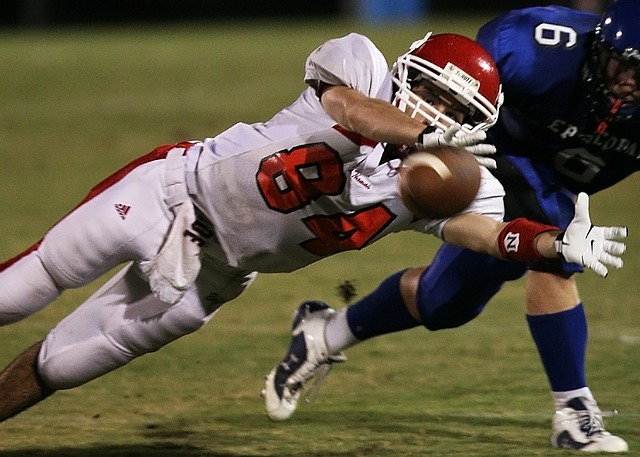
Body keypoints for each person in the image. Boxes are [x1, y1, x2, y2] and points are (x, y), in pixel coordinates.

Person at [0, 31, 626, 429]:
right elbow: (348, 108)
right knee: (16, 294)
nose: (441, 118)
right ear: (406, 76)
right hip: (169, 195)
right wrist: (422, 136)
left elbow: (485, 234)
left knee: (61, 367)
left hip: (213, 274)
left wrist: (550, 244)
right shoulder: (360, 64)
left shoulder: (458, 180)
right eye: (434, 97)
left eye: (460, 114)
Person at [263, 2, 638, 453]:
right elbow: (457, 83)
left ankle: (325, 332)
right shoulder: (536, 45)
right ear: (600, 48)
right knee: (555, 246)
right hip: (484, 152)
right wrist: (417, 143)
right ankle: (574, 413)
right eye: (624, 64)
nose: (628, 81)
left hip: (558, 179)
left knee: (446, 303)